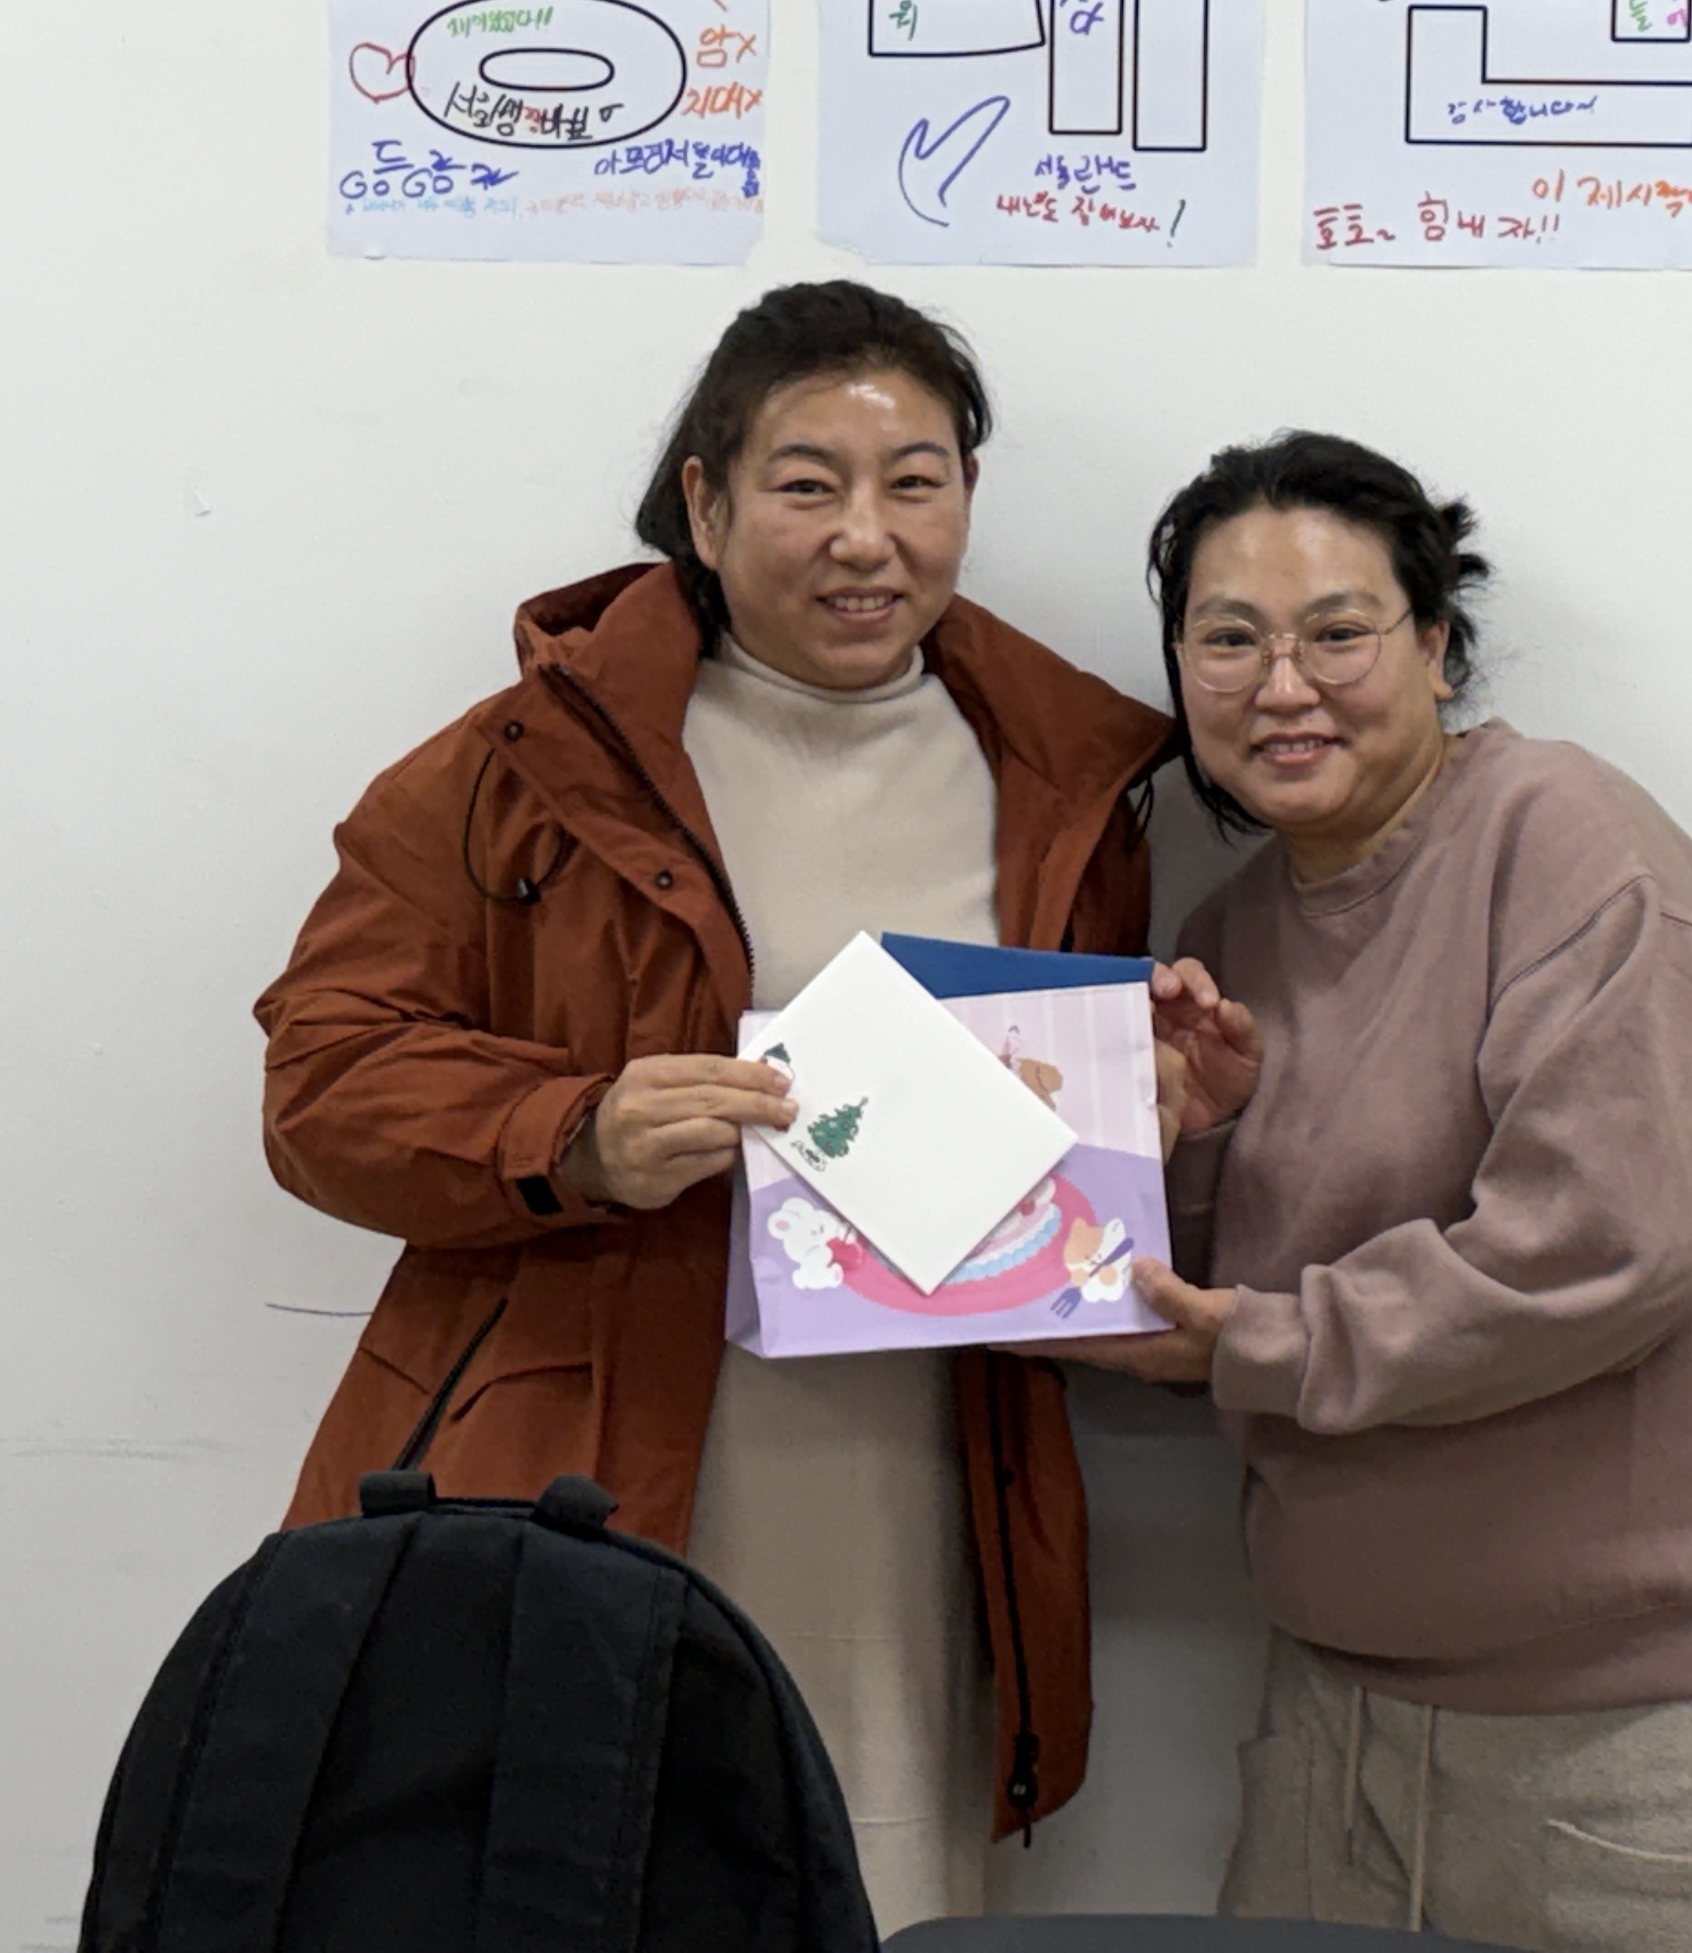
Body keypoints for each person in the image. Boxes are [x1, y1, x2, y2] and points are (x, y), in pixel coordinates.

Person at [256, 281, 1168, 1920]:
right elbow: (322, 1078)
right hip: (588, 1461)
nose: (866, 537)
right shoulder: (526, 763)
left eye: (916, 482)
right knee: (570, 1877)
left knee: (876, 1886)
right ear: (705, 499)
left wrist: (1162, 1115)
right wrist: (577, 1133)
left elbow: (1065, 1159)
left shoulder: (1067, 786)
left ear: (967, 497)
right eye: (808, 483)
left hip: (924, 1487)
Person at [1080, 432, 1692, 1953]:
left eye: (1337, 632)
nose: (1282, 686)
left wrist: (1256, 1341)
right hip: (1335, 1714)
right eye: (1228, 641)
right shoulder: (1228, 938)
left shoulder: (1573, 849)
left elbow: (1606, 1251)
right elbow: (1203, 1313)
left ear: (1436, 647)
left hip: (1648, 1735)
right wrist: (1188, 1142)